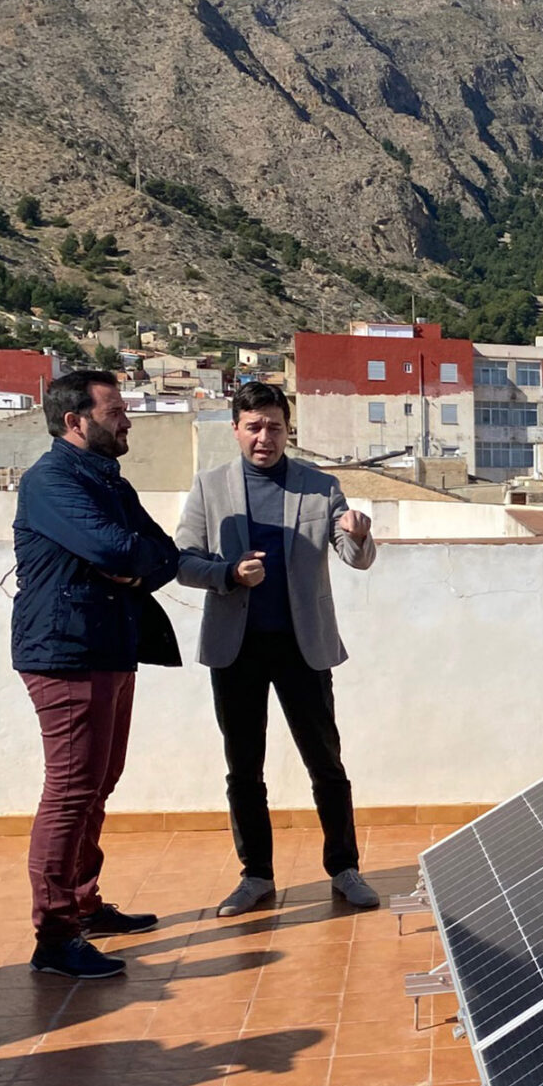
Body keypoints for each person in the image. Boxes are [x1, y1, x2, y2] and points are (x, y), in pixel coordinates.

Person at [175, 382, 381, 916]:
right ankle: (256, 876)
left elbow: (354, 557)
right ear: (236, 429)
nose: (265, 437)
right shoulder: (209, 486)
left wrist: (360, 533)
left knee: (326, 763)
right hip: (235, 648)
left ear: (289, 430)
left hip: (302, 646)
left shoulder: (320, 487)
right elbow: (184, 560)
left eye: (275, 427)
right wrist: (228, 574)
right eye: (254, 426)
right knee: (244, 769)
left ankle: (345, 868)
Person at [12, 370, 181, 980]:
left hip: (109, 647)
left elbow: (160, 553)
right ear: (75, 422)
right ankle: (54, 937)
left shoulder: (108, 481)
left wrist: (135, 570)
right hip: (66, 653)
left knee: (98, 783)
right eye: (115, 411)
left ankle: (82, 906)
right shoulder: (52, 481)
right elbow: (114, 549)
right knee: (70, 791)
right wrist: (130, 561)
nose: (127, 419)